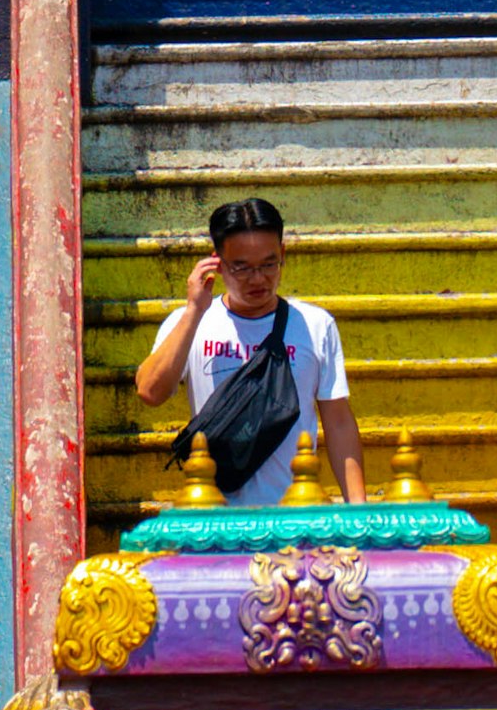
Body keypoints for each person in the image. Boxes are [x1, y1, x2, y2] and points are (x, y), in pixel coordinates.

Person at [131, 193, 365, 504]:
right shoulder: (189, 322)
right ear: (217, 262)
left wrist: (358, 509)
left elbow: (338, 422)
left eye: (269, 264)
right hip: (215, 514)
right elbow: (150, 392)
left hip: (295, 511)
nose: (258, 279)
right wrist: (193, 312)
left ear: (283, 254)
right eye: (241, 267)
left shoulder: (315, 325)